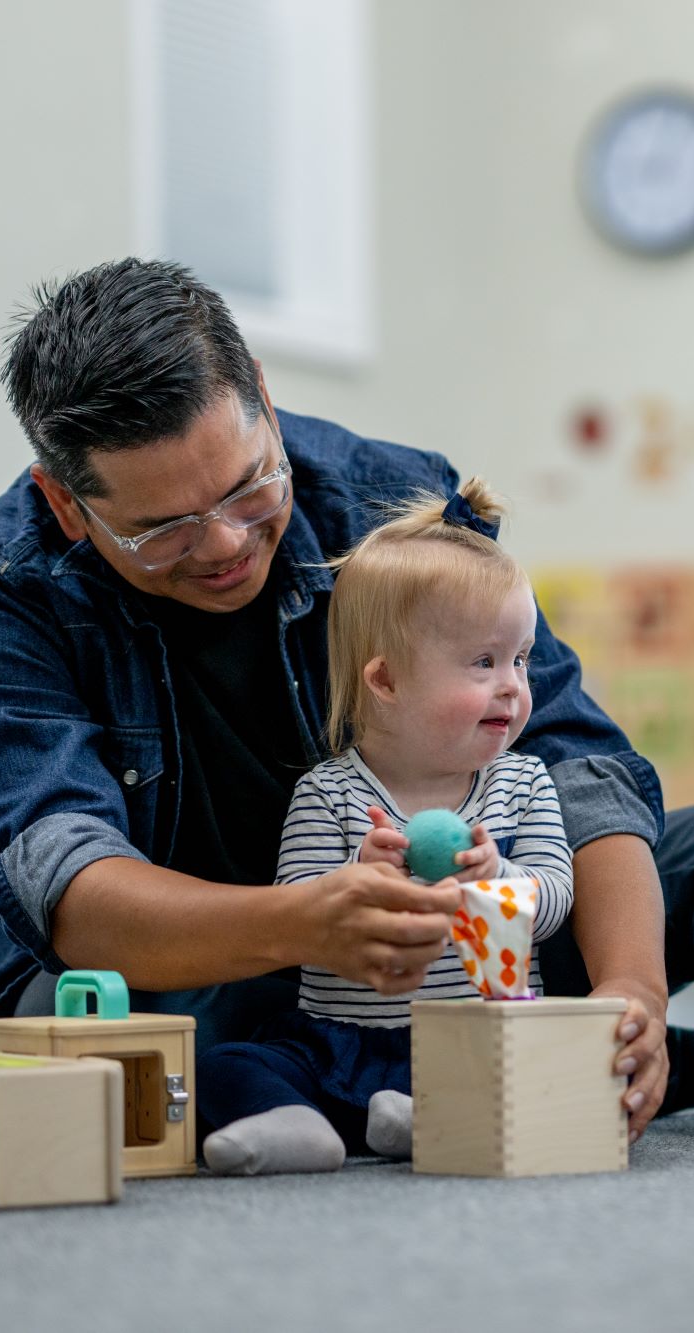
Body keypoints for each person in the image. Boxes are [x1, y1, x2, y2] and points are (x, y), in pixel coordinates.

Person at [0, 257, 694, 1158]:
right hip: (222, 962)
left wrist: (629, 988)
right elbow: (65, 884)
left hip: (473, 935)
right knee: (110, 1040)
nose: (228, 544)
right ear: (65, 503)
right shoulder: (1, 578)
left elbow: (577, 760)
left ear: (258, 388)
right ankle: (420, 1074)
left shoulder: (395, 503)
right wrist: (307, 921)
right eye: (164, 531)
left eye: (249, 486)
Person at [200, 476, 574, 1174]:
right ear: (387, 679)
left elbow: (553, 900)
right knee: (225, 1062)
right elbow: (298, 915)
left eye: (520, 659)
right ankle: (298, 1123)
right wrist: (359, 878)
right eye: (483, 662)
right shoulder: (332, 793)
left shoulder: (523, 784)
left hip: (478, 1039)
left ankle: (422, 1118)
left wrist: (498, 878)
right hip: (342, 1037)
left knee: (555, 1068)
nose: (513, 686)